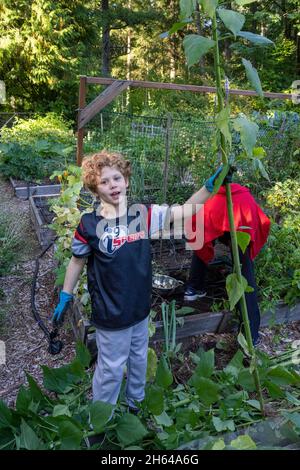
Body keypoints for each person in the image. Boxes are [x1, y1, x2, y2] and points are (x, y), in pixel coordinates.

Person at [52, 150, 226, 417]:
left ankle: (136, 406)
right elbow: (76, 261)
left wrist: (208, 188)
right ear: (94, 188)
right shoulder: (89, 225)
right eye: (104, 181)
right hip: (111, 314)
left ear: (126, 180)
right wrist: (66, 294)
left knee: (139, 360)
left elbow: (183, 211)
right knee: (110, 368)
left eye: (117, 178)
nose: (113, 185)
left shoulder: (143, 215)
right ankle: (100, 420)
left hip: (139, 310)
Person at [184, 183, 271, 346]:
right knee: (244, 268)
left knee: (201, 243)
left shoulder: (212, 195)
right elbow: (262, 222)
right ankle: (250, 335)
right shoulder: (245, 196)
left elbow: (196, 226)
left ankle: (193, 288)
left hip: (220, 217)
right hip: (243, 221)